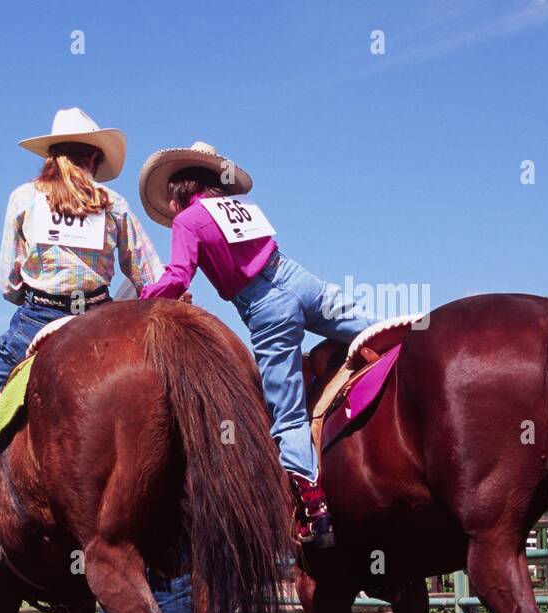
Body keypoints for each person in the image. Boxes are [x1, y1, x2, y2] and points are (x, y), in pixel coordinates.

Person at [0, 108, 163, 580]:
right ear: (95, 160)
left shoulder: (23, 197)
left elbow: (6, 282)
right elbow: (151, 278)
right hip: (101, 319)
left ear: (51, 156)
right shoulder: (113, 203)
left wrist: (34, 289)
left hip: (34, 319)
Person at [137, 142, 376, 547]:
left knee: (287, 414)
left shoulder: (189, 220)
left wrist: (141, 302)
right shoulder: (241, 206)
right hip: (299, 278)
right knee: (372, 332)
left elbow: (179, 276)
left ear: (178, 189)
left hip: (266, 306)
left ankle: (315, 513)